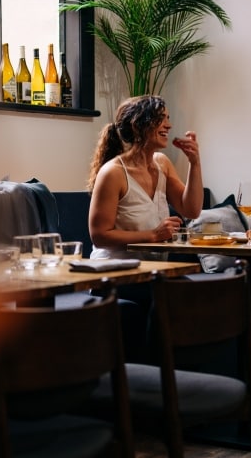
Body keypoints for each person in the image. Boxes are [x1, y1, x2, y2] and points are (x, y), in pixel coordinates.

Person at [87, 94, 205, 360]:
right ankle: (157, 378)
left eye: (168, 119)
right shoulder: (113, 172)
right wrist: (154, 234)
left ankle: (182, 377)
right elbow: (99, 235)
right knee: (177, 299)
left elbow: (192, 209)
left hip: (152, 274)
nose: (168, 125)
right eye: (160, 119)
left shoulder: (162, 163)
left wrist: (195, 163)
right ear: (140, 125)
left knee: (198, 296)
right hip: (114, 277)